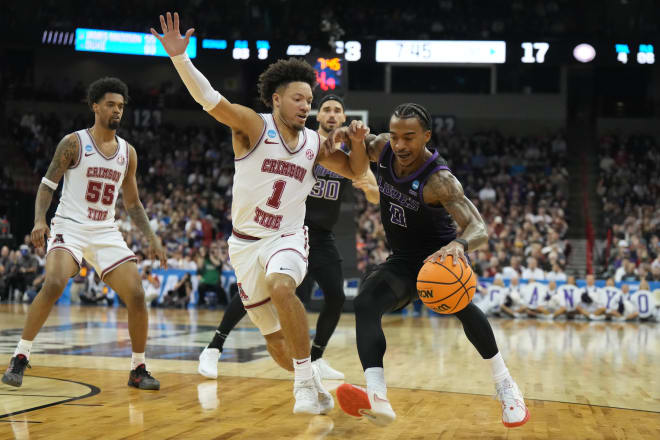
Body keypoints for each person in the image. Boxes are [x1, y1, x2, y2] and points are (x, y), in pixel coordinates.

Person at [151, 12, 370, 415]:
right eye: (299, 98)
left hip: (287, 236)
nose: (307, 105)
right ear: (276, 99)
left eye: (310, 99)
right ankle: (314, 384)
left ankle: (304, 385)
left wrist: (356, 142)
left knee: (283, 286)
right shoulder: (254, 126)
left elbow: (356, 172)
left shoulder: (313, 144)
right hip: (244, 243)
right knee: (272, 339)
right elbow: (210, 100)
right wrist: (180, 59)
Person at [333, 103, 529, 428]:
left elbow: (479, 227)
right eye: (395, 136)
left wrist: (458, 245)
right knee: (366, 300)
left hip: (440, 259)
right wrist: (345, 136)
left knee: (464, 309)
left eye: (409, 137)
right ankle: (377, 397)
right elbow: (360, 150)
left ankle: (506, 384)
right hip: (403, 261)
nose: (400, 145)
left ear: (426, 136)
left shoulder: (439, 180)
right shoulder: (382, 149)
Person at [198, 94, 379, 381]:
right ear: (318, 117)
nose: (332, 115)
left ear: (344, 118)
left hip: (322, 236)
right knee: (262, 293)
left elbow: (372, 190)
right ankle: (215, 345)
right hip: (289, 231)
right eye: (327, 110)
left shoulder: (344, 157)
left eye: (338, 111)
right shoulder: (306, 144)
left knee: (335, 296)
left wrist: (369, 188)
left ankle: (315, 358)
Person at [2, 77, 166, 391]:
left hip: (105, 230)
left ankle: (138, 368)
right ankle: (20, 356)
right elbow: (47, 185)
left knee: (136, 295)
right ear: (95, 106)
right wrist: (39, 220)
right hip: (70, 227)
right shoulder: (74, 143)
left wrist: (151, 237)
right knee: (52, 283)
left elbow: (132, 203)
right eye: (110, 104)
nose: (117, 110)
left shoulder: (128, 153)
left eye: (121, 106)